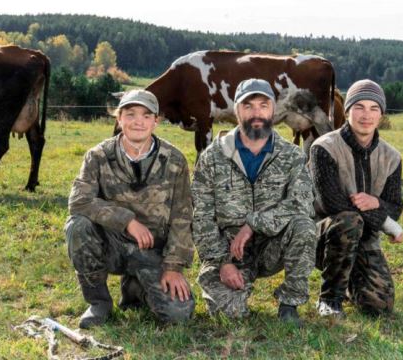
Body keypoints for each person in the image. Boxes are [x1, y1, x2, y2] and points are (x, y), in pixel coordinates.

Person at [65, 89, 195, 328]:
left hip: (152, 250)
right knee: (78, 226)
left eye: (146, 115)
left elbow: (182, 216)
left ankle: (135, 287)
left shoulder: (174, 160)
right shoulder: (98, 156)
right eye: (131, 114)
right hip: (111, 246)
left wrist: (173, 267)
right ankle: (99, 303)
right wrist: (127, 221)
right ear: (119, 118)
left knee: (179, 314)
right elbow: (79, 201)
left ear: (156, 121)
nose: (138, 122)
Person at [191, 78, 316, 325]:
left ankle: (290, 303)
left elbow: (302, 204)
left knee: (304, 226)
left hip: (273, 244)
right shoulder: (212, 157)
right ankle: (233, 283)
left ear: (273, 110)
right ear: (236, 110)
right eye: (248, 106)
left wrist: (253, 224)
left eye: (263, 105)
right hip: (230, 250)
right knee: (228, 315)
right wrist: (222, 262)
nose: (256, 113)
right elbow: (201, 217)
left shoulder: (291, 155)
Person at [309, 79, 403, 318]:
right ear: (347, 111)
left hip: (364, 239)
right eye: (359, 107)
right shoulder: (324, 148)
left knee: (380, 307)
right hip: (322, 236)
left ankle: (350, 280)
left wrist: (377, 203)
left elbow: (395, 207)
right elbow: (332, 204)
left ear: (381, 114)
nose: (366, 115)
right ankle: (330, 299)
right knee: (350, 220)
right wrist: (388, 224)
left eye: (374, 108)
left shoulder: (392, 157)